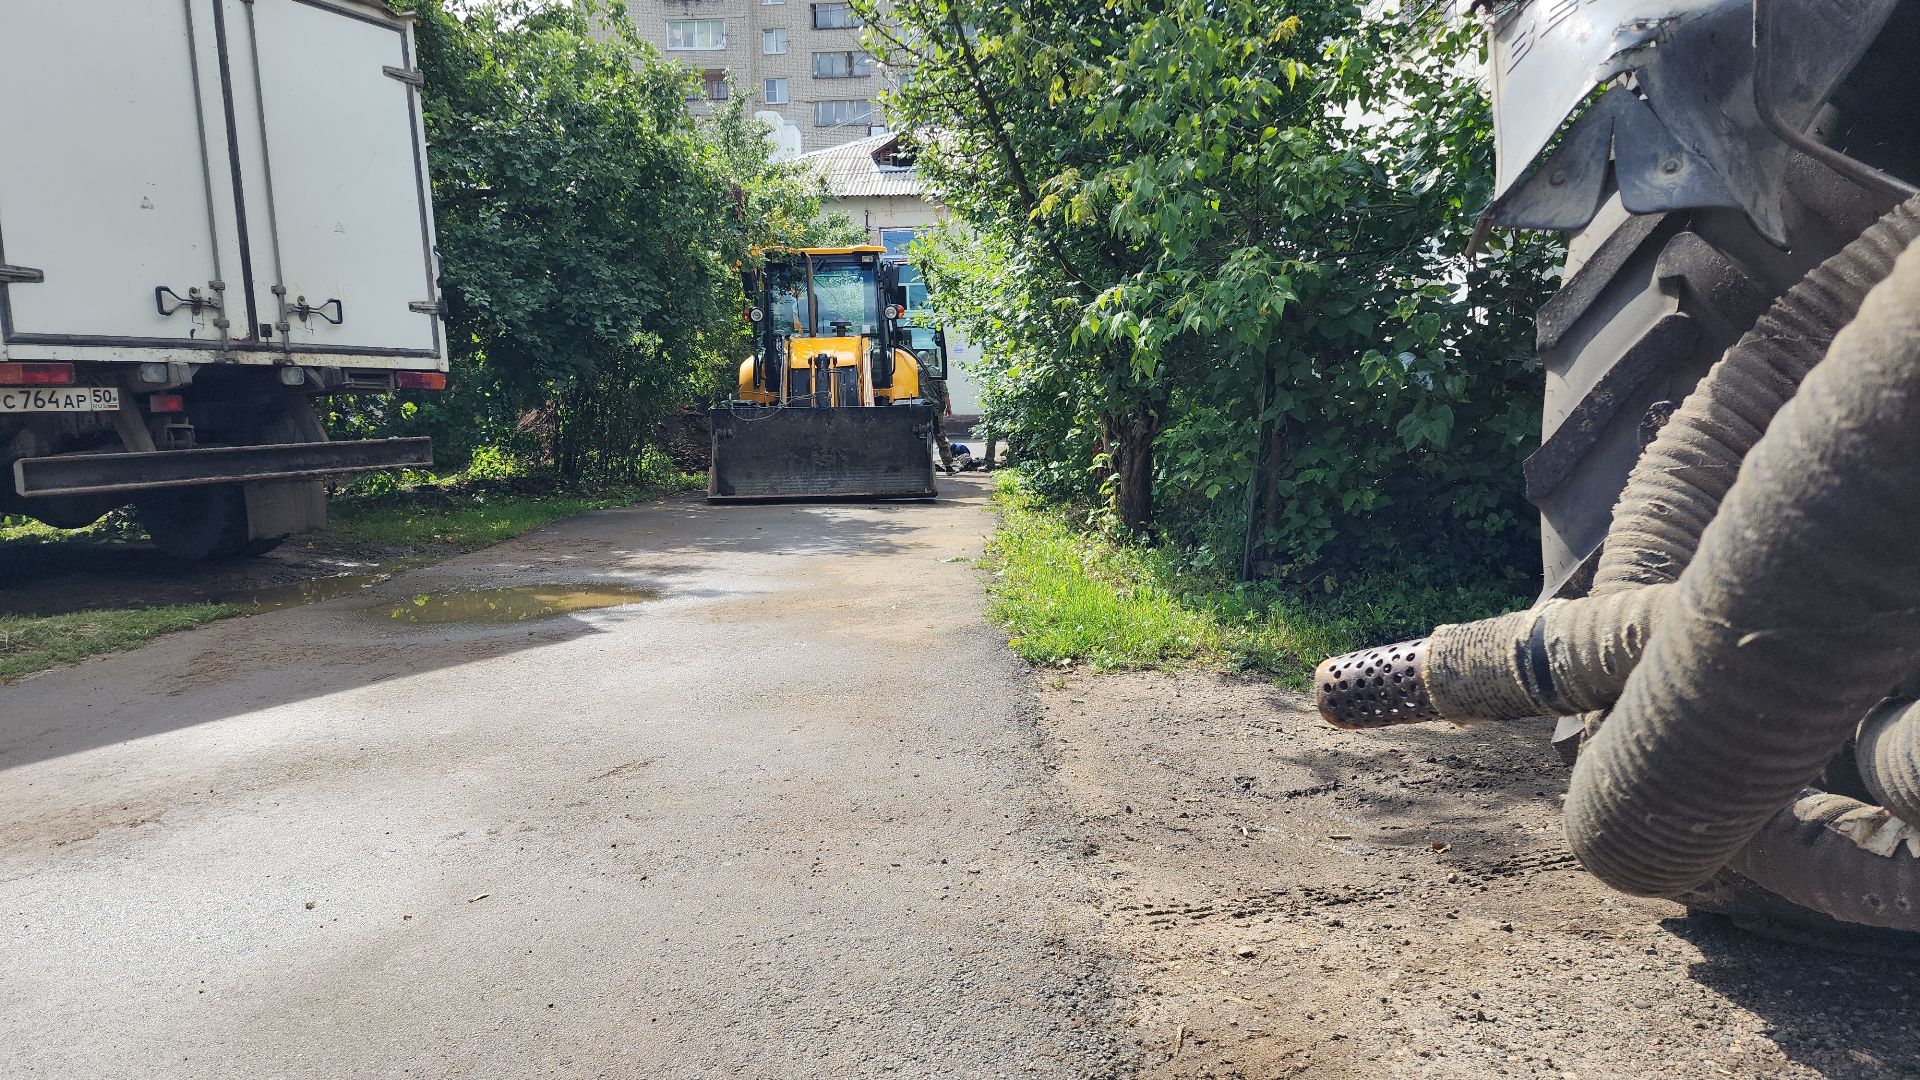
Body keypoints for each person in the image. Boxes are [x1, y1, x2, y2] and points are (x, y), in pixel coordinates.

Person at [921, 358, 955, 473]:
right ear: (927, 359)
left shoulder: (911, 371)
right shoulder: (935, 371)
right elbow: (944, 392)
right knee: (940, 436)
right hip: (935, 409)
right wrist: (949, 407)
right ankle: (948, 466)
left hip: (918, 409)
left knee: (920, 437)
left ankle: (924, 467)